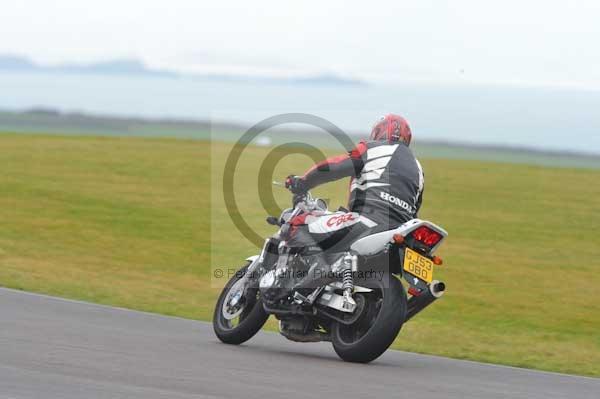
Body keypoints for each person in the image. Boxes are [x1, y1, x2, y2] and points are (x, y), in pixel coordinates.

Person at [280, 114, 425, 294]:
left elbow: (334, 166)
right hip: (400, 230)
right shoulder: (418, 169)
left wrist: (302, 182)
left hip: (368, 220)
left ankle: (319, 269)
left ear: (380, 132)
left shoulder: (372, 148)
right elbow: (415, 207)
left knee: (295, 225)